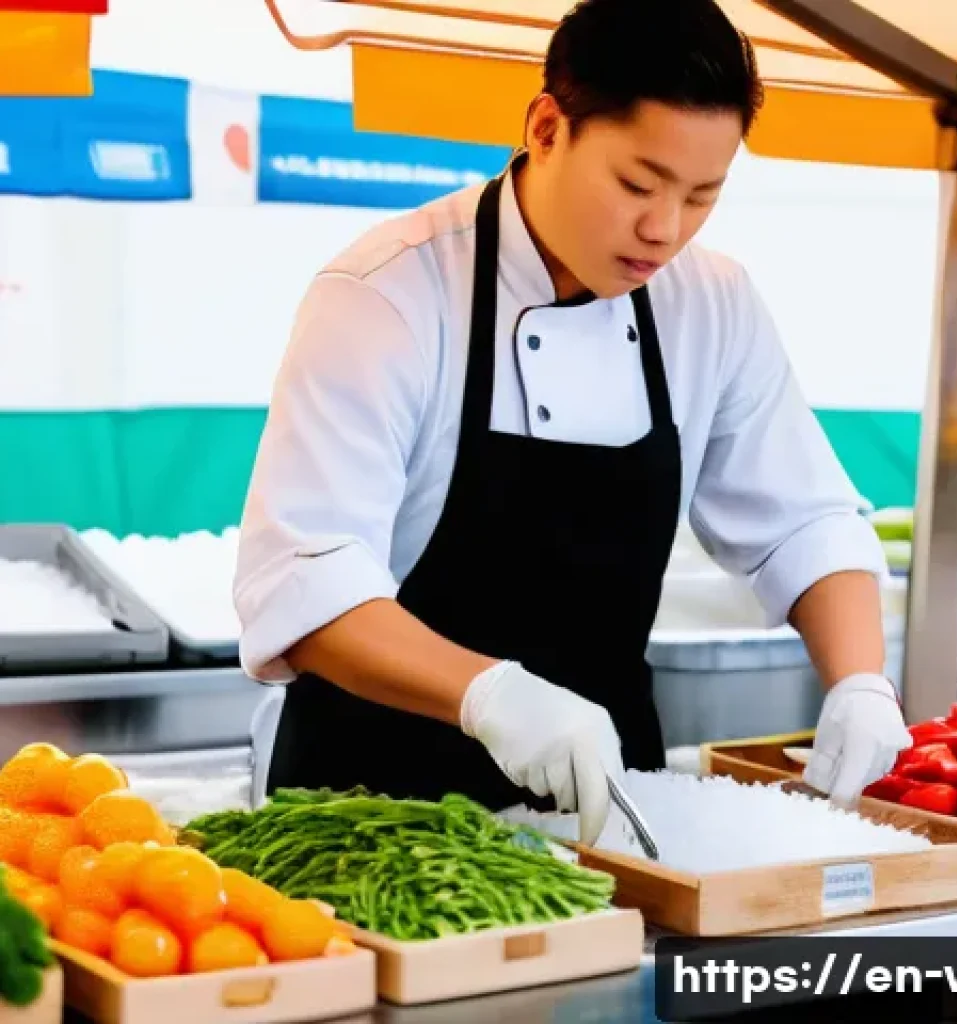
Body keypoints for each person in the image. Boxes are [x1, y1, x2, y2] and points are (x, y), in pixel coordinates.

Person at [234, 0, 912, 844]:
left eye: (703, 195)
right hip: (372, 815)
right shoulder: (386, 296)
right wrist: (491, 696)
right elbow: (307, 581)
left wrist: (860, 682)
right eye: (637, 184)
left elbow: (805, 522)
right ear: (547, 128)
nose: (664, 230)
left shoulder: (712, 301)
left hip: (608, 817)